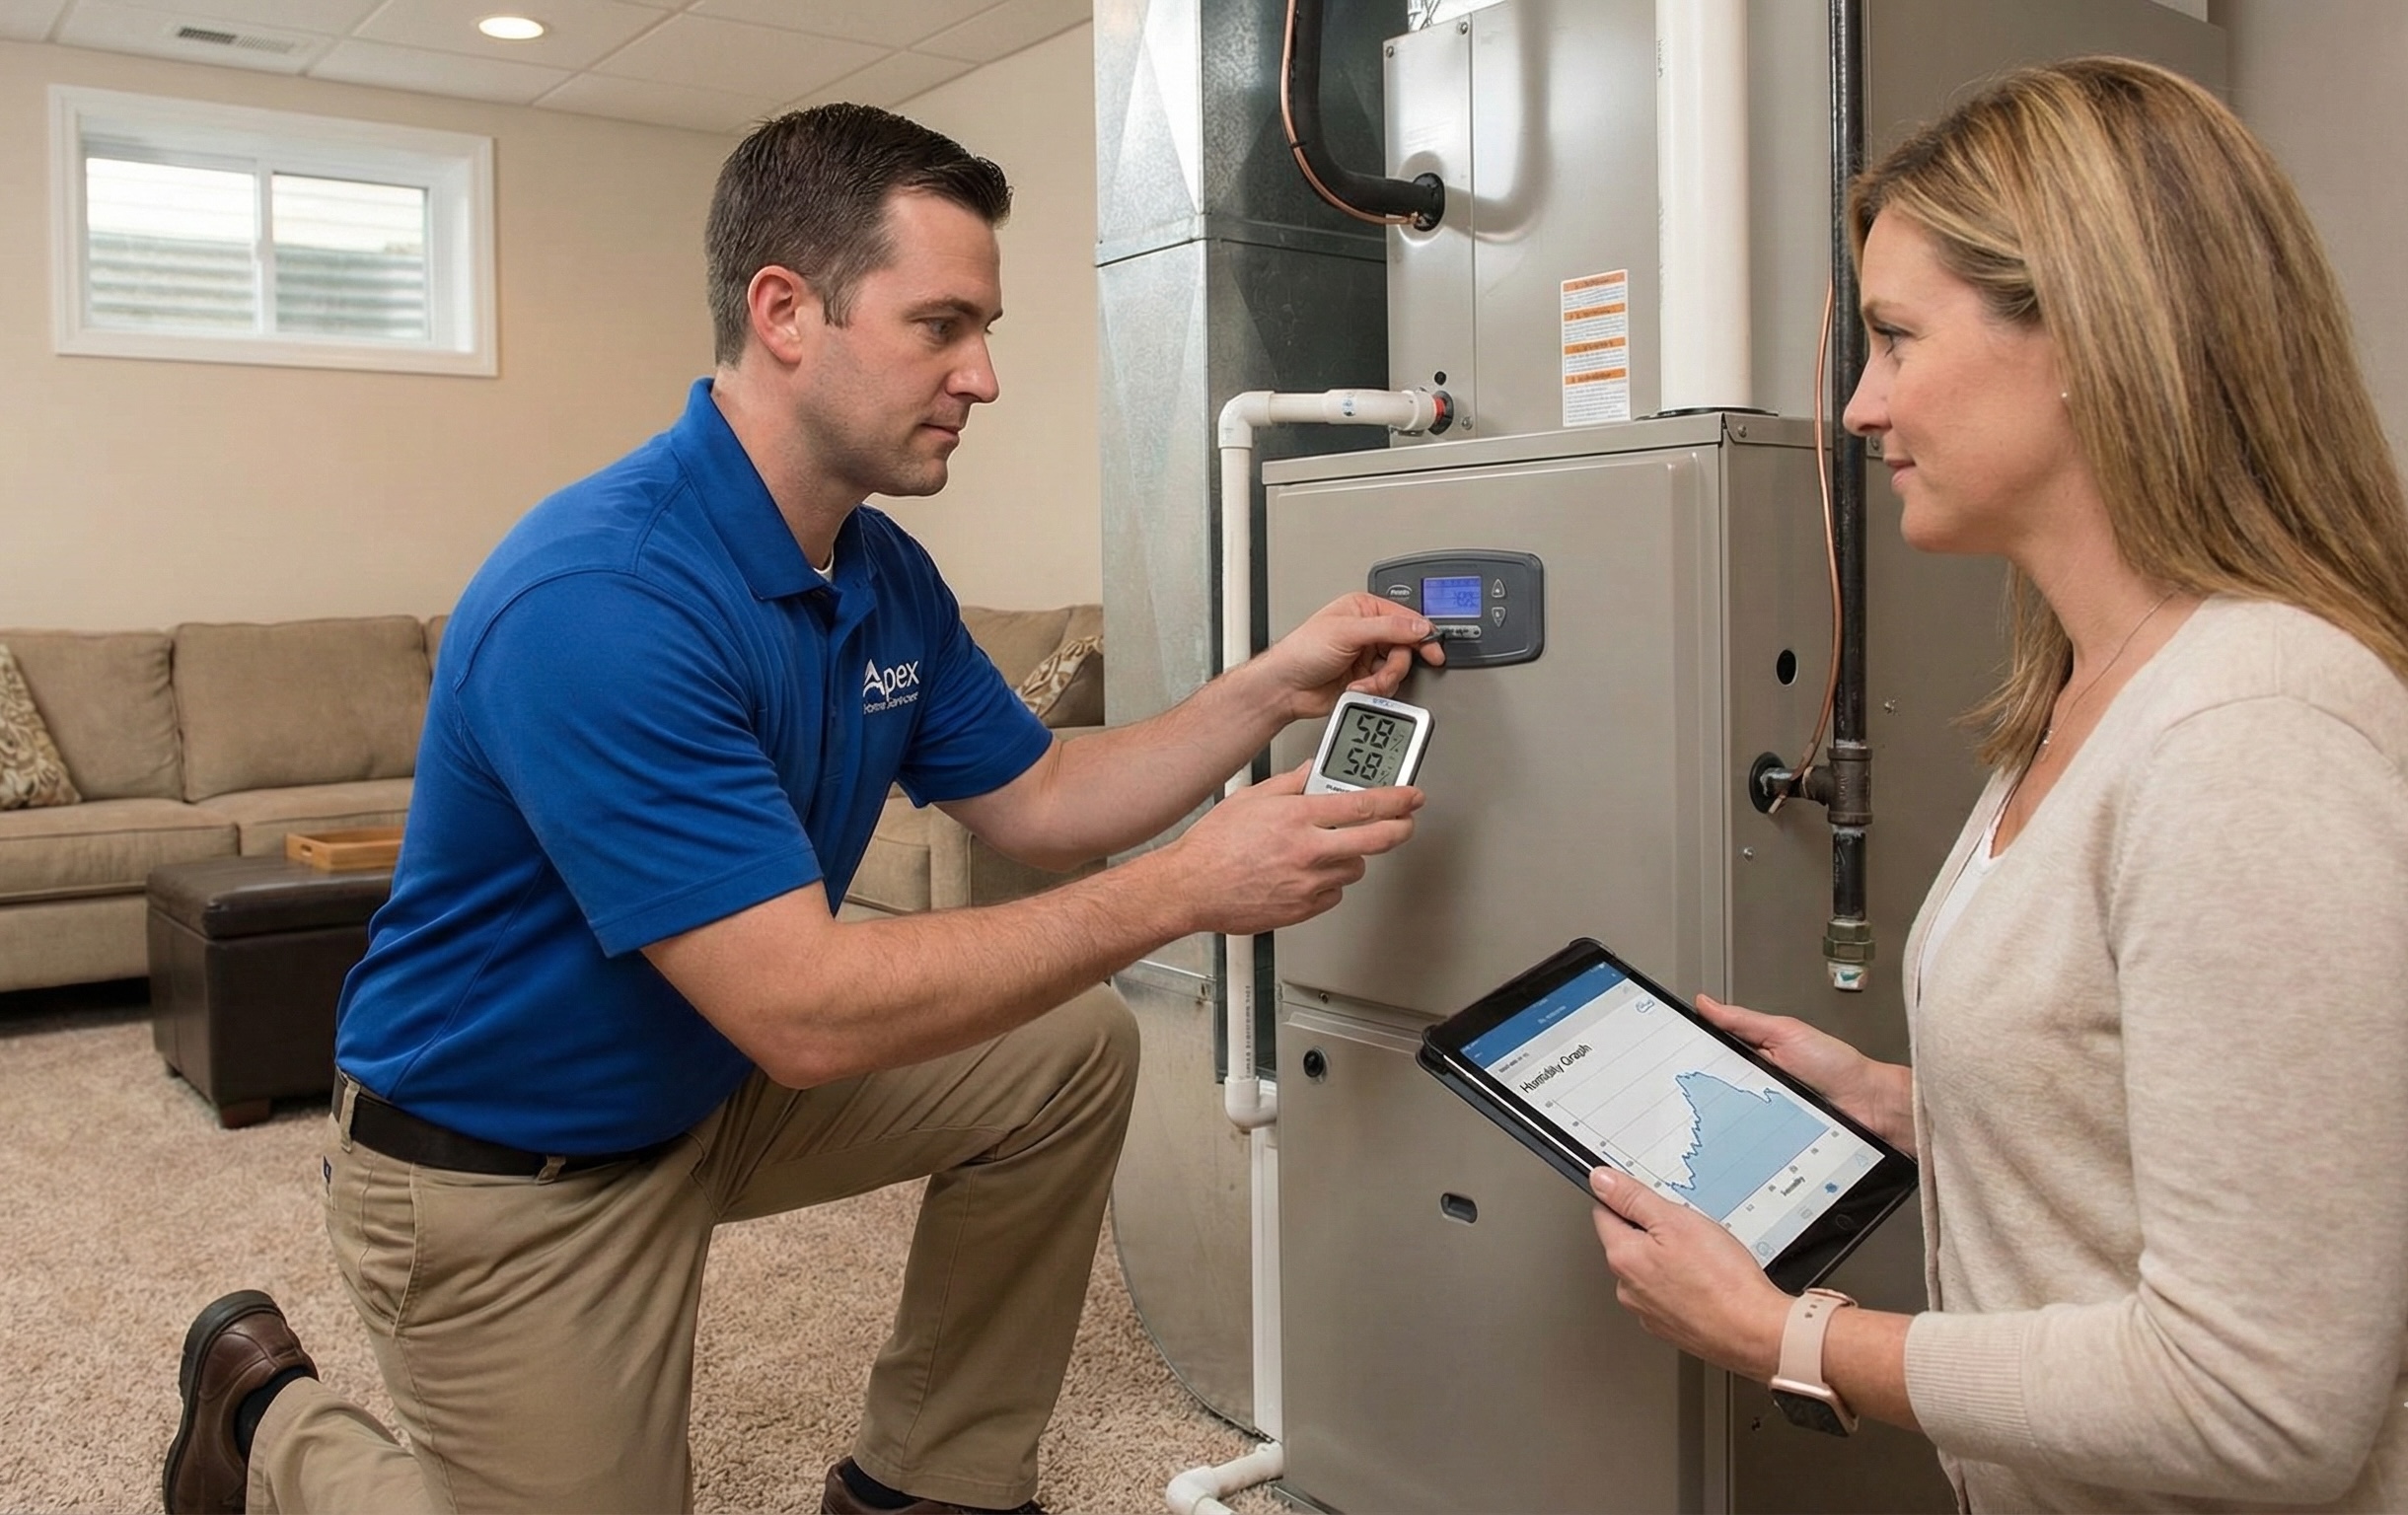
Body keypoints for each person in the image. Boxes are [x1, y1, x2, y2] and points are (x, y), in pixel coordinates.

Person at [161, 104, 1441, 1515]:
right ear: (784, 311)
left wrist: (1269, 688)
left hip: (714, 1085)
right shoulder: (603, 599)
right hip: (504, 1162)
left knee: (1065, 1052)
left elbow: (1043, 798)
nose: (985, 376)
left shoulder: (876, 569)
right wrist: (1183, 887)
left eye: (985, 326)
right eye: (940, 325)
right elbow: (808, 1011)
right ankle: (265, 1422)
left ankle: (927, 1483)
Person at [1585, 56, 2408, 1512]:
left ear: (2087, 335)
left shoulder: (2250, 737)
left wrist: (1796, 1340)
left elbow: (2261, 1405)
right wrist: (1916, 1099)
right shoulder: (2087, 685)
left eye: (1895, 339)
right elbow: (2157, 1100)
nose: (1855, 406)